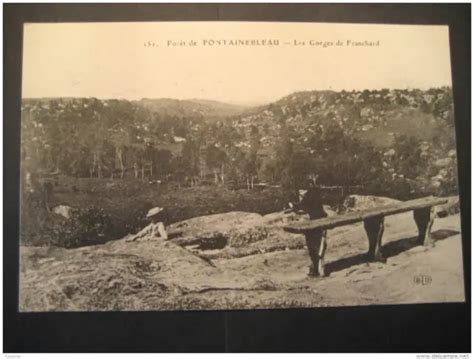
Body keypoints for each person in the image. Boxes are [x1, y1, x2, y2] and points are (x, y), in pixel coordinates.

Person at [288, 178, 328, 277]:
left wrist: (292, 205)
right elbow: (307, 206)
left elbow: (301, 206)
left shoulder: (310, 193)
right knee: (320, 244)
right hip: (322, 219)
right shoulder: (316, 192)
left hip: (316, 222)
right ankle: (318, 268)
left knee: (312, 245)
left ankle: (316, 269)